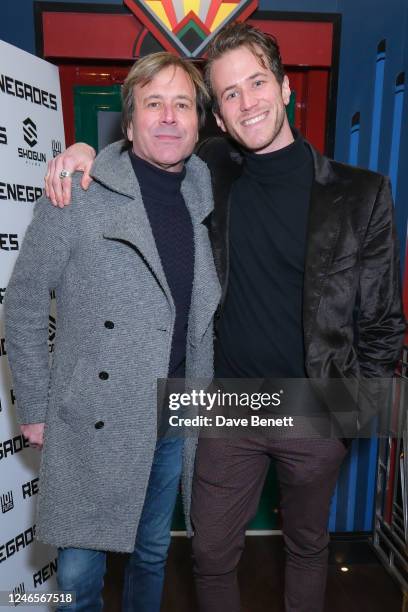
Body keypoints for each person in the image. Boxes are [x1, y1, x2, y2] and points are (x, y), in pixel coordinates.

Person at [44, 22, 405, 612]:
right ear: (218, 115)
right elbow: (143, 154)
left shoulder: (363, 192)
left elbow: (385, 322)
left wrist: (347, 418)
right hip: (223, 402)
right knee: (209, 556)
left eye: (257, 83)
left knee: (309, 547)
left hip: (316, 402)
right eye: (230, 93)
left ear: (285, 88)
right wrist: (87, 152)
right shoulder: (208, 171)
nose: (247, 102)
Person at [5, 52, 220, 612]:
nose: (169, 117)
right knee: (79, 572)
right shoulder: (79, 192)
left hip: (174, 416)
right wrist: (34, 405)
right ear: (129, 124)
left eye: (181, 105)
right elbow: (24, 298)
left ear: (200, 123)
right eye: (153, 104)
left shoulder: (206, 197)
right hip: (91, 415)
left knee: (152, 555)